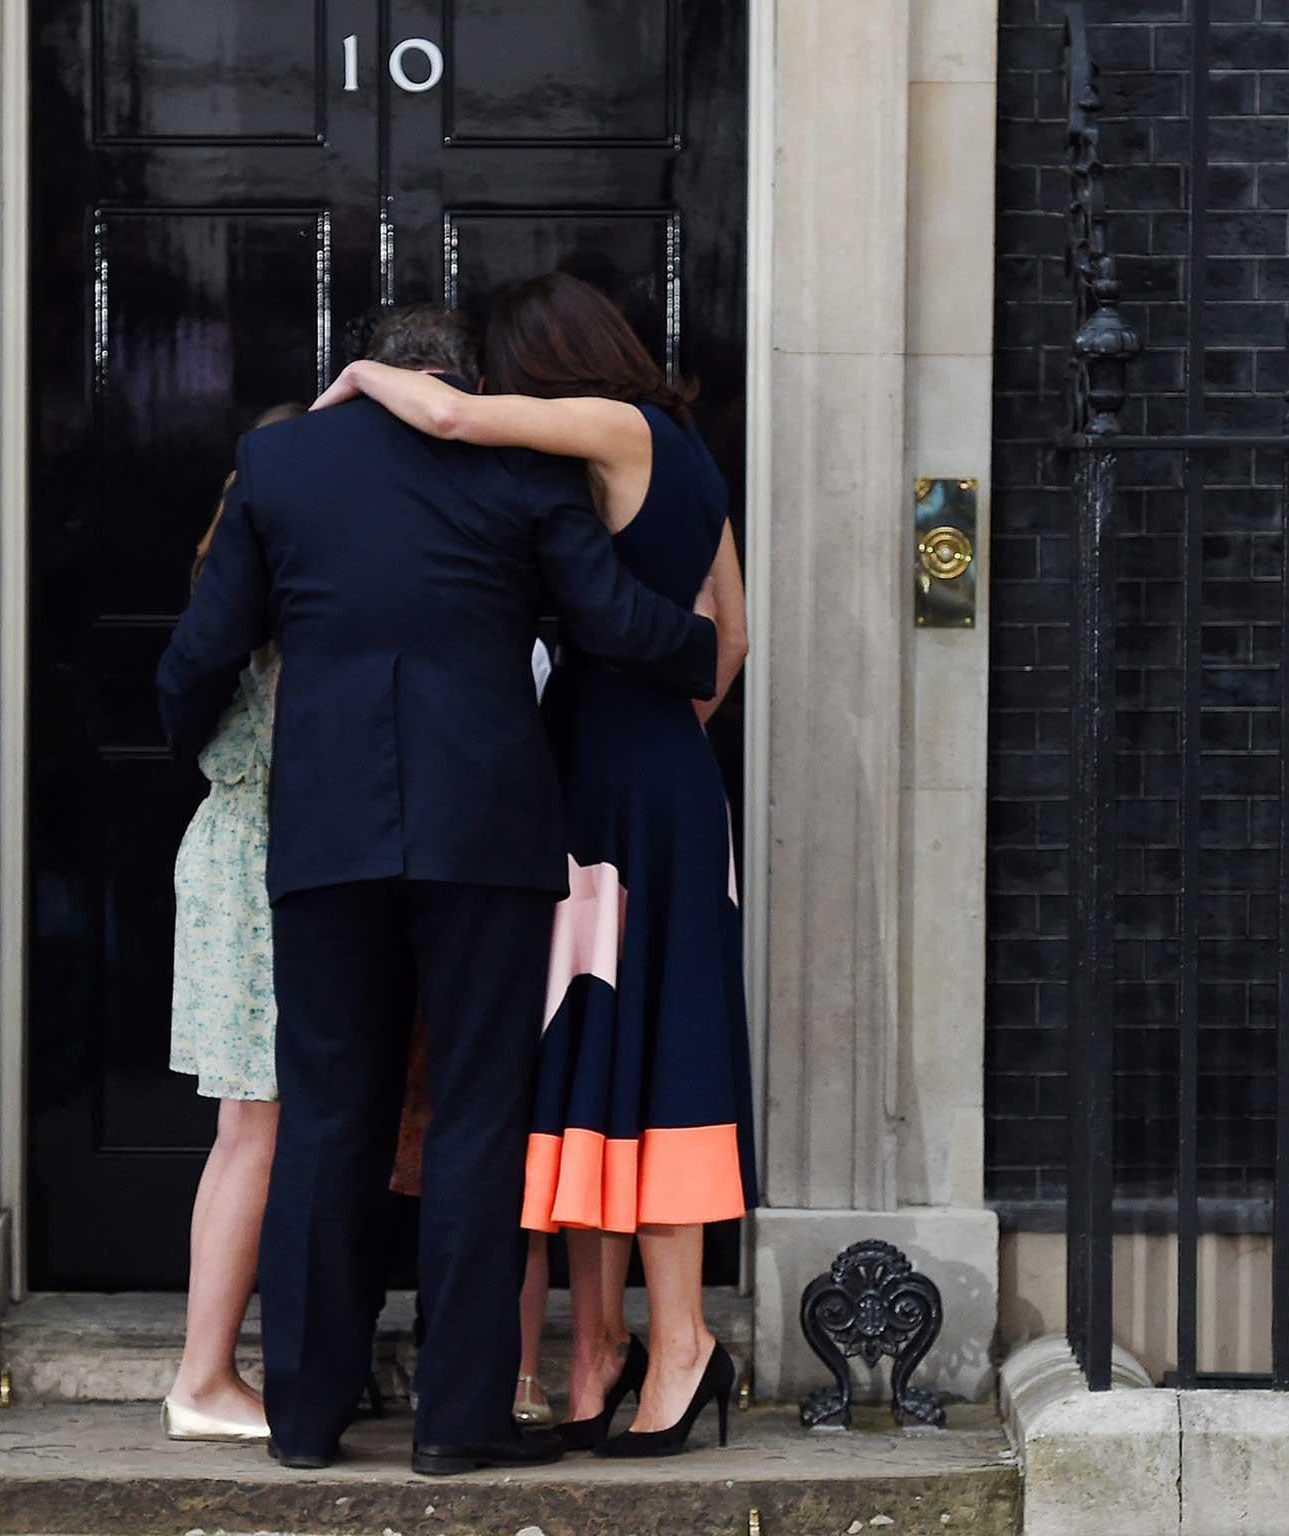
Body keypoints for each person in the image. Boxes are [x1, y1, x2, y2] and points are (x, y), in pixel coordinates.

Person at [156, 304, 718, 1476]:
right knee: (474, 1122)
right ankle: (457, 1425)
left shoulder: (279, 460)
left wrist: (188, 752)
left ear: (371, 370)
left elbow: (203, 650)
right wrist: (700, 653)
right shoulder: (518, 459)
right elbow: (608, 618)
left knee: (325, 1119)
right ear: (457, 374)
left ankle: (305, 1422)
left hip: (324, 830)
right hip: (486, 833)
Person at [309, 271, 755, 1458]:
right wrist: (661, 744)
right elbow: (728, 641)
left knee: (633, 1053)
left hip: (606, 775)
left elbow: (454, 419)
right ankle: (602, 1350)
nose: (500, 390)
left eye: (511, 369)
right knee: (612, 1055)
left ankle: (674, 1347)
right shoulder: (690, 458)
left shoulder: (616, 429)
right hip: (659, 769)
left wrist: (357, 378)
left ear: (546, 362)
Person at [160, 402, 306, 1444]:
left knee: (250, 1127)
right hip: (258, 859)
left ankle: (215, 1369)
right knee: (256, 1125)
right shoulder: (277, 602)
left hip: (233, 848)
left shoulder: (230, 582)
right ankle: (204, 1377)